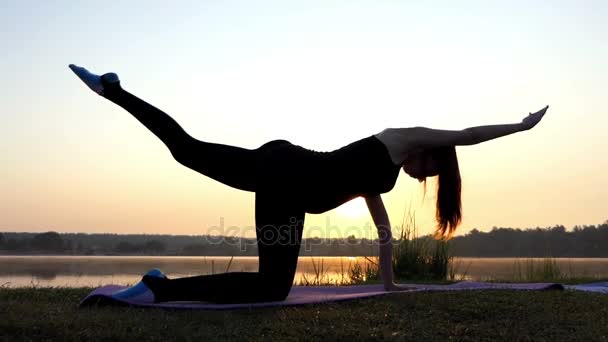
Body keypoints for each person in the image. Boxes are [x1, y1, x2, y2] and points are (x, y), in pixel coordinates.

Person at [69, 64, 548, 303]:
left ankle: (113, 90)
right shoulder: (402, 139)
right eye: (429, 170)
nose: (422, 178)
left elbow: (383, 232)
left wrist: (389, 283)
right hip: (290, 173)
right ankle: (159, 288)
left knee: (188, 152)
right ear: (426, 152)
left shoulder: (380, 175)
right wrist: (519, 128)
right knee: (271, 287)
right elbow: (467, 134)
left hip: (286, 179)